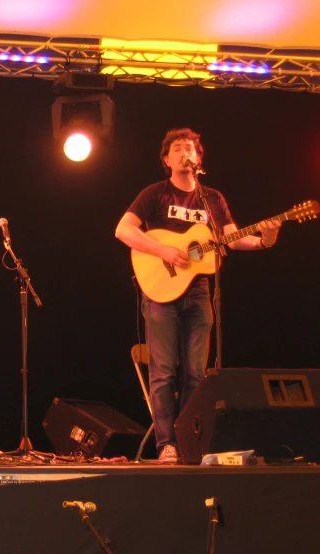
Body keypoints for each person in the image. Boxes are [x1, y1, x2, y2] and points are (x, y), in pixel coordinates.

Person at [115, 128, 281, 463]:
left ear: (198, 158)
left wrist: (265, 238)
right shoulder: (155, 194)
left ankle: (189, 440)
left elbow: (233, 240)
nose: (184, 153)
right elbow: (123, 229)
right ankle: (167, 445)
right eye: (177, 149)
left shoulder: (212, 199)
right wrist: (163, 249)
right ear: (166, 159)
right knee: (162, 372)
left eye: (189, 148)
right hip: (161, 291)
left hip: (200, 293)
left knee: (196, 373)